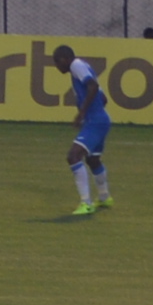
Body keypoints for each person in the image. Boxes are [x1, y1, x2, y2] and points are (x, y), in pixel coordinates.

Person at [45, 42, 111, 215]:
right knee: (93, 160)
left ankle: (85, 203)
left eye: (57, 61)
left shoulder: (76, 66)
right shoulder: (82, 68)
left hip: (95, 121)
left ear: (66, 59)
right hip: (99, 120)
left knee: (73, 156)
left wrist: (83, 112)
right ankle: (104, 197)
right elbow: (103, 98)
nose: (56, 66)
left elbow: (93, 86)